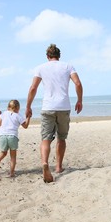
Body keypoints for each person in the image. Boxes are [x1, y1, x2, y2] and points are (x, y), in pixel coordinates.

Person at [26, 44, 83, 183]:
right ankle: (58, 167)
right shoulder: (68, 66)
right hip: (63, 107)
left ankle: (45, 163)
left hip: (48, 107)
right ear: (59, 55)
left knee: (46, 138)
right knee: (61, 138)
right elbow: (78, 84)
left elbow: (33, 87)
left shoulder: (40, 68)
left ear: (47, 56)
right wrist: (79, 100)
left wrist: (28, 106)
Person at [0, 100, 30, 177]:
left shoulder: (4, 114)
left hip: (2, 135)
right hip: (12, 136)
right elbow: (25, 126)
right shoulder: (18, 115)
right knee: (13, 156)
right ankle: (12, 172)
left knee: (3, 152)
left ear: (8, 107)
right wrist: (28, 117)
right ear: (18, 108)